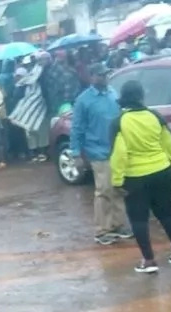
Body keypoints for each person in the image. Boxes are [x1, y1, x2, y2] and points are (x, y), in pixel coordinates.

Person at [110, 80, 171, 274]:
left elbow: (119, 153)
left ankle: (148, 260)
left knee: (139, 219)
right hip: (162, 172)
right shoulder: (155, 116)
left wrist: (117, 180)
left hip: (135, 177)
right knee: (167, 213)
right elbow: (168, 143)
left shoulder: (119, 122)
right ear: (140, 96)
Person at [71, 63, 128, 245]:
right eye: (100, 75)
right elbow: (77, 128)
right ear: (91, 77)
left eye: (106, 74)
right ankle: (102, 230)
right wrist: (76, 154)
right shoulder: (83, 100)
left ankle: (118, 225)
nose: (104, 77)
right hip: (98, 151)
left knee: (118, 188)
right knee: (104, 190)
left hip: (116, 150)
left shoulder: (113, 93)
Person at [10, 58, 49, 162]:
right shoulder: (22, 85)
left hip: (39, 109)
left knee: (40, 131)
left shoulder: (38, 78)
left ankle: (42, 152)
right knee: (30, 133)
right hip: (27, 113)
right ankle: (35, 153)